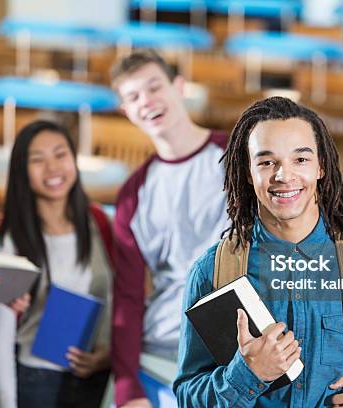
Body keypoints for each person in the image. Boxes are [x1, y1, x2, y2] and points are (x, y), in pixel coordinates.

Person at [174, 96, 343, 406]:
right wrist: (248, 373)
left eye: (300, 159)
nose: (284, 176)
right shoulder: (211, 272)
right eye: (266, 162)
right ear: (249, 173)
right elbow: (188, 393)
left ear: (321, 166)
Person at [110, 49, 229, 407]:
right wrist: (127, 386)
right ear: (126, 112)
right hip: (161, 353)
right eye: (133, 97)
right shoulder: (134, 194)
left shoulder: (239, 157)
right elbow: (128, 297)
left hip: (236, 349)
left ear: (179, 87)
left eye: (154, 87)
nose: (146, 101)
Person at [0, 120, 114, 408]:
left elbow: (114, 297)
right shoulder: (11, 239)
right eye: (37, 160)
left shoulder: (98, 222)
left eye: (60, 154)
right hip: (36, 381)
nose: (53, 168)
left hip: (93, 377)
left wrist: (106, 355)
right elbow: (0, 334)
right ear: (22, 171)